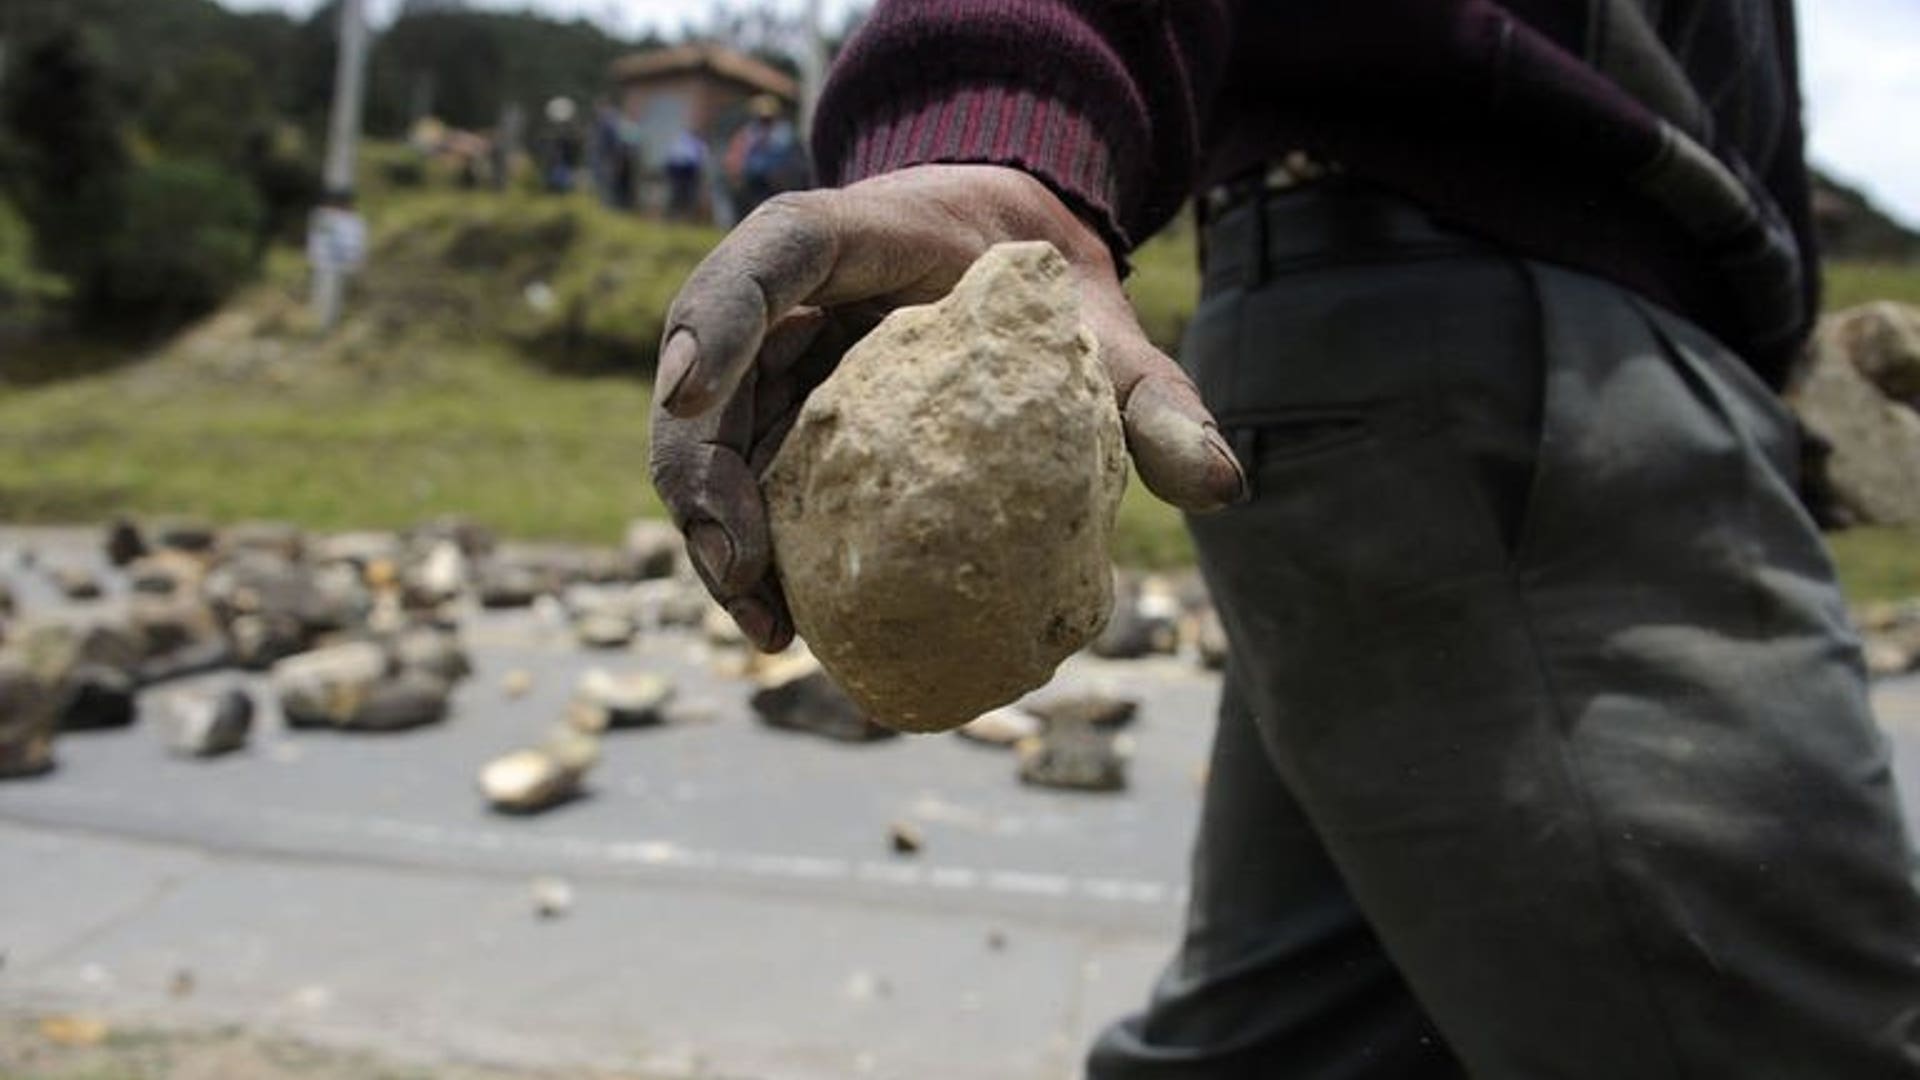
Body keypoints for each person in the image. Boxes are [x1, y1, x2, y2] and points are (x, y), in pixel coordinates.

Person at [651, 4, 1920, 1077]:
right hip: (1522, 375)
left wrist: (1773, 347)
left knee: (1306, 1035)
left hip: (1449, 373)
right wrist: (993, 107)